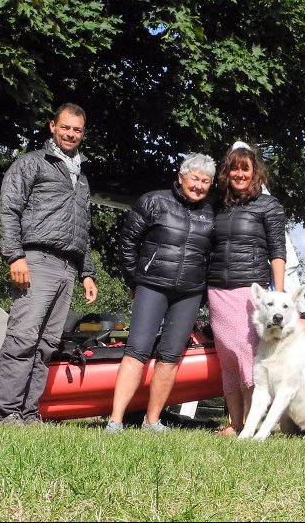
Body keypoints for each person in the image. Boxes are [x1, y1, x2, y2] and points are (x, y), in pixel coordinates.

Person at [0, 102, 99, 425]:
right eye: (65, 127)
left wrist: (88, 273)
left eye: (77, 130)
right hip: (36, 259)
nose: (71, 134)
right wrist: (16, 255)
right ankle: (8, 411)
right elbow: (9, 209)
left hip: (68, 267)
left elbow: (83, 228)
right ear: (52, 126)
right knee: (23, 337)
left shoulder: (80, 177)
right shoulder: (32, 164)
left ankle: (28, 412)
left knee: (46, 345)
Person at [104, 153, 217, 433]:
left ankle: (152, 421)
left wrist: (202, 292)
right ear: (181, 177)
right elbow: (127, 242)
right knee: (137, 351)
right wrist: (136, 279)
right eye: (195, 178)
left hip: (189, 293)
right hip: (152, 286)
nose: (199, 185)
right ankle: (115, 420)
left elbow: (213, 255)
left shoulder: (211, 212)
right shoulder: (154, 201)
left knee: (170, 356)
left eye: (206, 181)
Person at [206, 144, 287, 437]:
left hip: (249, 290)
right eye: (234, 169)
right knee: (228, 356)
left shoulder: (268, 205)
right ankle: (235, 423)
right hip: (217, 290)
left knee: (246, 355)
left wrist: (279, 295)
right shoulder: (217, 205)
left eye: (246, 169)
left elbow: (278, 251)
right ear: (227, 173)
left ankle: (252, 424)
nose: (240, 174)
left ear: (255, 174)